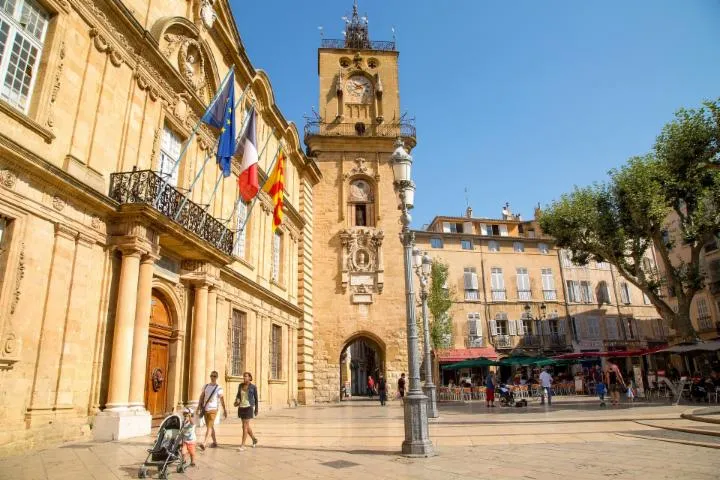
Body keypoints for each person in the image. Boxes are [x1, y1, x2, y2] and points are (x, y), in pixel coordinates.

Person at [196, 371, 227, 450]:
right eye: (212, 376)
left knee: (209, 427)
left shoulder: (219, 388)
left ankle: (204, 443)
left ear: (217, 377)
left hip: (213, 410)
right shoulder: (206, 386)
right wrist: (199, 406)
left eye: (214, 376)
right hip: (205, 409)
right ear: (210, 376)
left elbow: (222, 399)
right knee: (210, 426)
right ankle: (215, 442)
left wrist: (224, 409)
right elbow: (201, 397)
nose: (213, 377)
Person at [234, 372, 259, 451]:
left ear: (250, 378)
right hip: (241, 407)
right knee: (245, 426)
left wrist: (256, 409)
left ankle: (243, 445)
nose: (244, 378)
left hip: (249, 407)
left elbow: (256, 399)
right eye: (244, 376)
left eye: (246, 376)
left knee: (245, 426)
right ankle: (254, 439)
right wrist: (237, 400)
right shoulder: (240, 385)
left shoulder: (253, 387)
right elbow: (238, 395)